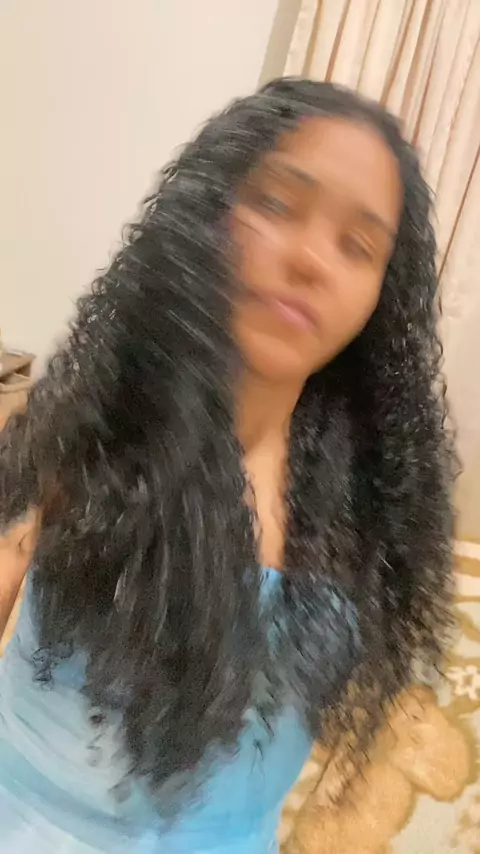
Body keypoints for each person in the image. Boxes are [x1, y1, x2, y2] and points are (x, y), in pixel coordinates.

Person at [0, 78, 454, 853]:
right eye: (276, 204)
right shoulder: (83, 426)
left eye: (358, 246)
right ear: (205, 212)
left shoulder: (373, 509)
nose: (311, 258)